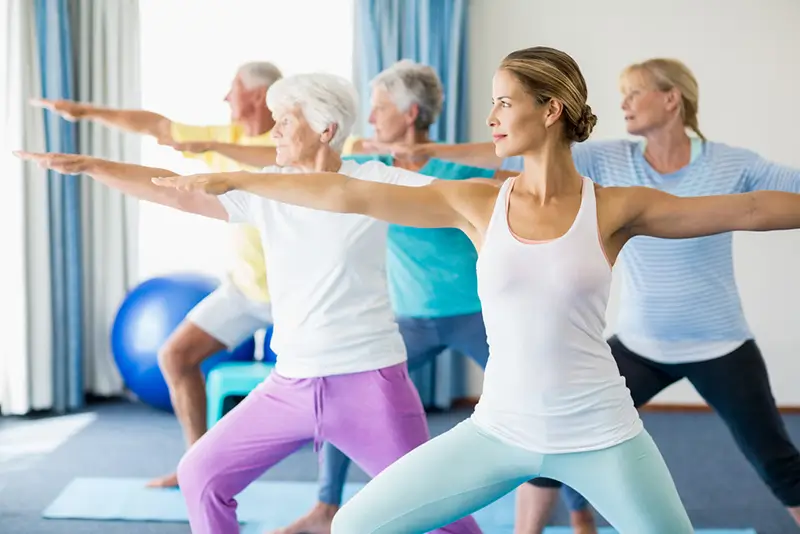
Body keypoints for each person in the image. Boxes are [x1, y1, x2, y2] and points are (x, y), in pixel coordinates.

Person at [148, 44, 800, 533]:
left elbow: (748, 210)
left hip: (601, 431)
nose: (491, 116)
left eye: (504, 101)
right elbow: (348, 188)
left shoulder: (615, 205)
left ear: (551, 110)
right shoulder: (478, 203)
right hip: (499, 429)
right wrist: (241, 179)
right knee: (353, 525)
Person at [16, 72, 483, 534]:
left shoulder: (377, 181)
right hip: (289, 385)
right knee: (200, 474)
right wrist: (93, 167)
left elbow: (459, 201)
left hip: (368, 383)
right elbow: (171, 189)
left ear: (325, 129)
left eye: (285, 121)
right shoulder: (266, 190)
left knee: (440, 516)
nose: (272, 131)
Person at [401, 57, 800, 531]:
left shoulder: (732, 162)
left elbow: (769, 202)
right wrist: (426, 149)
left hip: (721, 345)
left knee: (775, 458)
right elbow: (502, 152)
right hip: (641, 343)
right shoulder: (609, 159)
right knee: (553, 423)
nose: (624, 103)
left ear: (671, 99)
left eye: (635, 93)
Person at [271, 59, 502, 534]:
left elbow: (513, 166)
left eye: (379, 108)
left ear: (410, 113)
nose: (372, 119)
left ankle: (578, 513)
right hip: (410, 321)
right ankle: (324, 508)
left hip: (473, 316)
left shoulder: (455, 168)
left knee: (537, 393)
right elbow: (306, 156)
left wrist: (431, 152)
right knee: (342, 389)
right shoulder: (366, 170)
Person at [31, 61, 283, 489]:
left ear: (257, 95)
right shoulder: (223, 139)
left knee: (326, 386)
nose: (225, 98)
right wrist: (86, 112)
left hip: (296, 296)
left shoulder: (298, 144)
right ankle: (198, 467)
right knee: (175, 356)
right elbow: (157, 125)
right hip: (243, 290)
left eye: (232, 88)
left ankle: (327, 497)